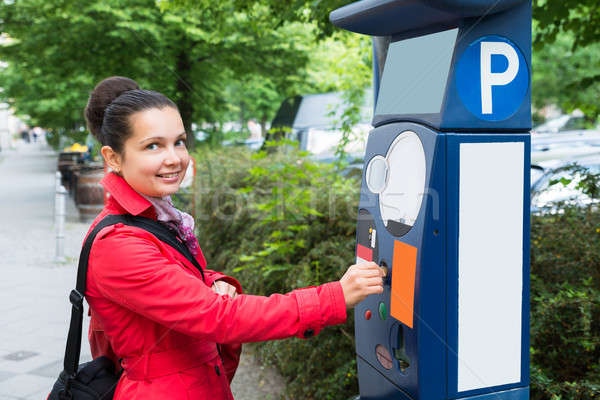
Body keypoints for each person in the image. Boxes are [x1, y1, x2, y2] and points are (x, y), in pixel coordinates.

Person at [82, 76, 385, 399]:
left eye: (179, 141)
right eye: (153, 146)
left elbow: (166, 277)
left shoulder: (155, 215)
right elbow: (219, 317)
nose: (174, 158)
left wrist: (213, 279)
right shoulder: (117, 242)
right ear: (113, 158)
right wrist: (335, 296)